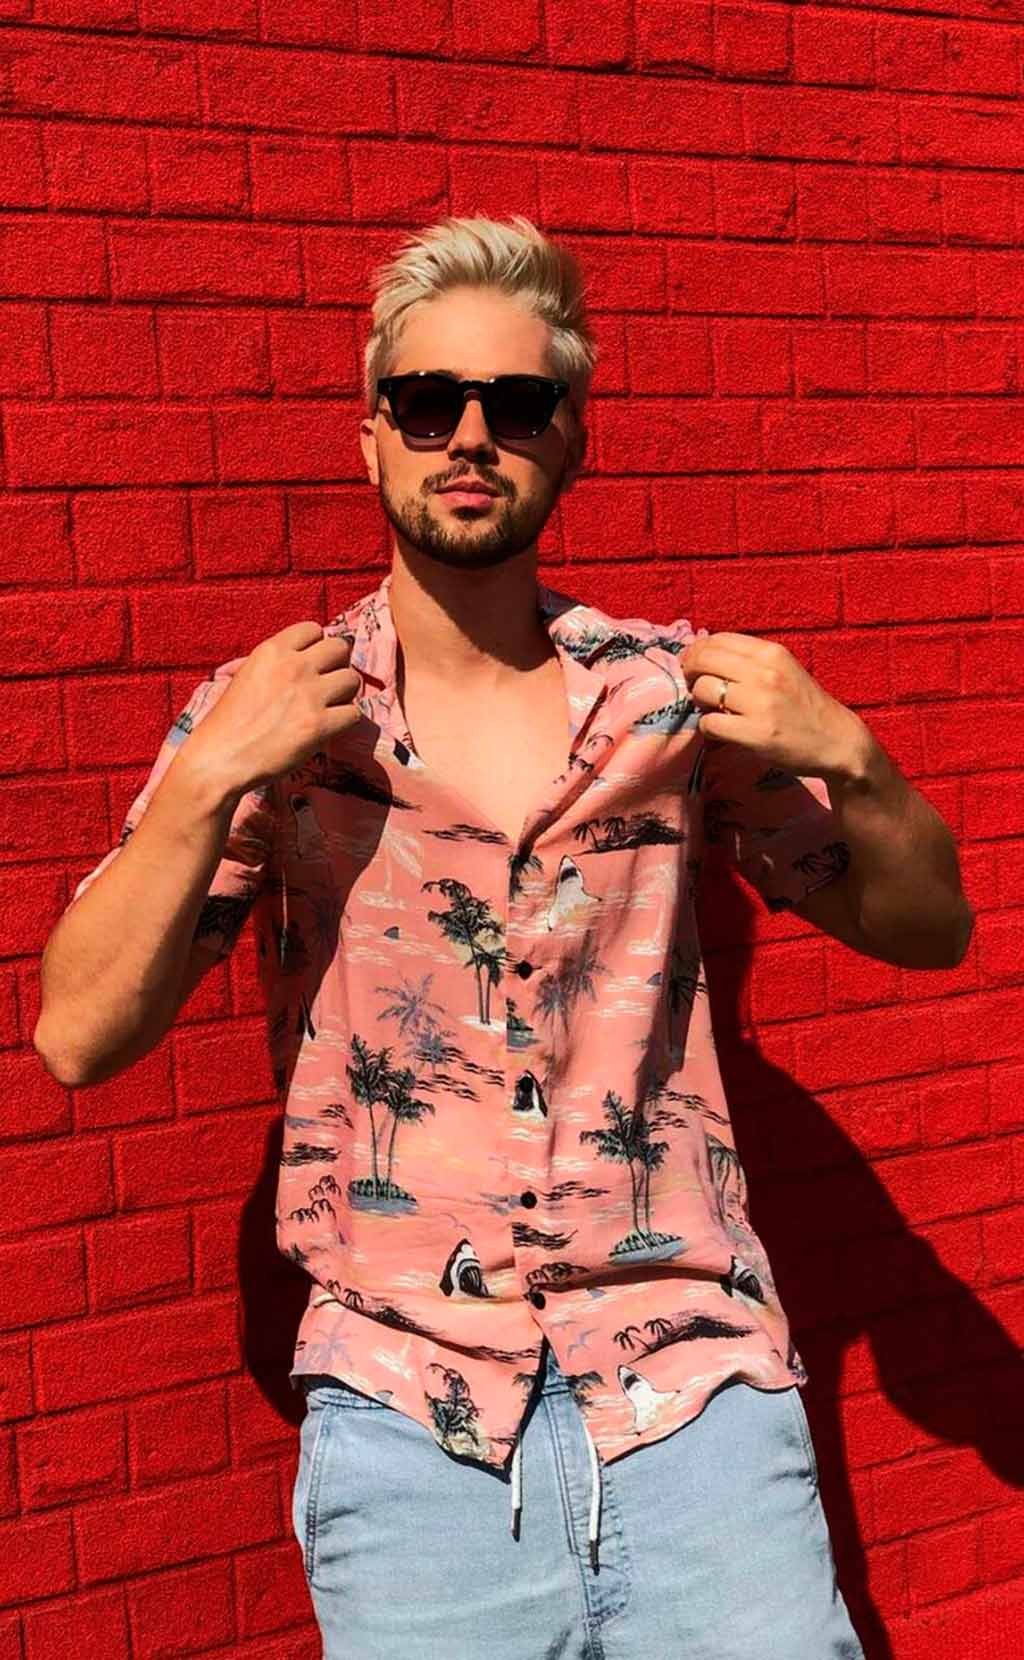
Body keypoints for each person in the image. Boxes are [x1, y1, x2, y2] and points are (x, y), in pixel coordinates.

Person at [36, 216, 972, 1658]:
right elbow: (79, 1037)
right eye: (427, 401)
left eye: (517, 404)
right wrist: (212, 778)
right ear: (371, 435)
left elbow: (927, 933)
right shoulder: (281, 717)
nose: (470, 437)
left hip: (693, 1398)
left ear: (572, 439)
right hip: (411, 1419)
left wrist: (855, 758)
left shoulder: (668, 704)